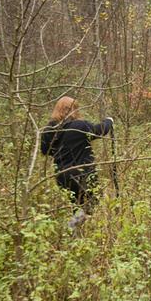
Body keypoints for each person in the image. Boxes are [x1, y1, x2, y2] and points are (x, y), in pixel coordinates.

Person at [40, 96, 113, 232]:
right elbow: (100, 130)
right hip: (83, 174)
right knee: (92, 202)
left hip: (62, 176)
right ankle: (72, 229)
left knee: (77, 204)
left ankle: (77, 238)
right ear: (74, 109)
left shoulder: (48, 130)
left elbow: (45, 151)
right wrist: (108, 121)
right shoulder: (79, 126)